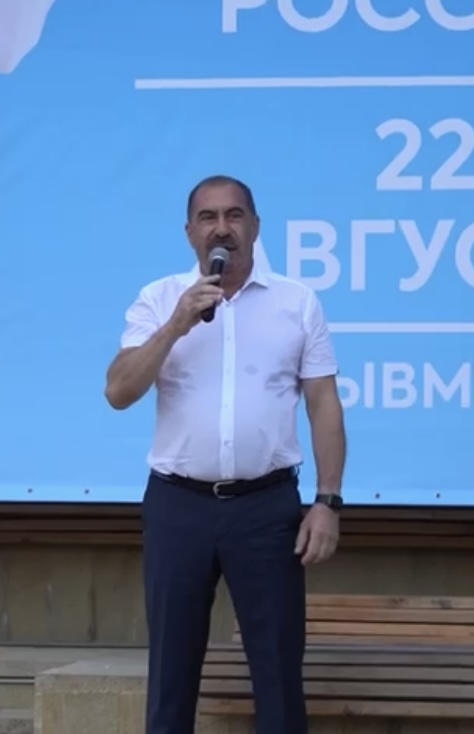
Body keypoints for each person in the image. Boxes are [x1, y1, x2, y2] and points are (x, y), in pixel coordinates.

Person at [104, 175, 348, 734]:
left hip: (266, 508)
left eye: (234, 216)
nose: (222, 228)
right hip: (178, 506)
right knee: (171, 673)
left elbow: (324, 404)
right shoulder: (159, 299)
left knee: (278, 672)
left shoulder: (296, 303)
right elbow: (118, 391)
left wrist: (328, 501)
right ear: (190, 232)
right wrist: (176, 325)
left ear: (255, 227)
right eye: (208, 217)